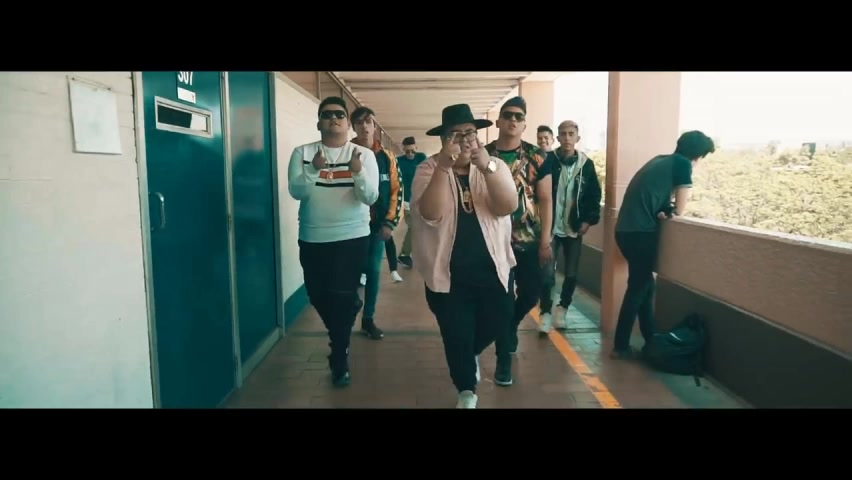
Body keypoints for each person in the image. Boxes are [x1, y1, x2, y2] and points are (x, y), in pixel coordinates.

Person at [410, 104, 518, 408]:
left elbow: (507, 206)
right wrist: (444, 168)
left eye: (469, 133)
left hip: (492, 269)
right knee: (456, 333)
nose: (465, 140)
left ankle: (468, 354)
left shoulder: (494, 165)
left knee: (500, 320)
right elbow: (430, 214)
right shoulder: (428, 169)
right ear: (444, 140)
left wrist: (487, 168)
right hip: (448, 274)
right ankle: (466, 390)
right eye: (455, 135)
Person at [287, 96, 379, 387]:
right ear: (319, 123)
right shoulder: (302, 153)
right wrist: (313, 169)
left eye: (339, 114)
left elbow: (370, 197)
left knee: (339, 295)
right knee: (316, 294)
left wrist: (357, 171)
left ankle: (340, 356)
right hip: (313, 236)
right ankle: (349, 312)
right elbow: (296, 191)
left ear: (347, 122)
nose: (334, 119)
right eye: (327, 115)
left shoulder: (364, 155)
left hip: (352, 237)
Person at [612, 130, 715, 358]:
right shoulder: (683, 164)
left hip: (625, 230)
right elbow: (680, 209)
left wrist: (664, 207)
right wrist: (670, 209)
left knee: (646, 286)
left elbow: (654, 197)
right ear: (697, 156)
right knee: (637, 289)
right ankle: (620, 346)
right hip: (641, 233)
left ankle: (651, 339)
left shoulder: (660, 160)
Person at [485, 96, 553, 387]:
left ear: (524, 124)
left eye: (519, 117)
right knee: (501, 300)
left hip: (529, 239)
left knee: (531, 294)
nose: (513, 120)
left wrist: (545, 240)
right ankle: (503, 360)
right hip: (494, 241)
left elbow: (546, 199)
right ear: (498, 121)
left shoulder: (538, 157)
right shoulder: (485, 155)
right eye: (508, 115)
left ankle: (511, 323)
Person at [539, 120, 602, 333]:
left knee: (572, 273)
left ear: (577, 138)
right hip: (550, 228)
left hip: (573, 229)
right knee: (547, 274)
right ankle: (545, 313)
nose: (567, 138)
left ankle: (562, 309)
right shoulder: (548, 161)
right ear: (557, 137)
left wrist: (588, 220)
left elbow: (594, 195)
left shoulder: (586, 165)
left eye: (571, 134)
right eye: (563, 134)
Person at [350, 106, 403, 340]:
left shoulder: (387, 157)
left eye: (368, 121)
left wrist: (389, 223)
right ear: (353, 127)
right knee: (349, 272)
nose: (364, 126)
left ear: (374, 126)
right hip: (350, 226)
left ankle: (368, 318)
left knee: (372, 270)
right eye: (359, 122)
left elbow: (396, 190)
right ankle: (348, 313)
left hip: (376, 226)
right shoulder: (346, 153)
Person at [395, 136, 427, 268]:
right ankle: (404, 254)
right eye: (407, 152)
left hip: (421, 199)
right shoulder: (399, 161)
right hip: (406, 201)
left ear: (416, 148)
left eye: (412, 151)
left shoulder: (421, 157)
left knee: (421, 227)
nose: (410, 154)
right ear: (403, 150)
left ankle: (413, 253)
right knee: (414, 226)